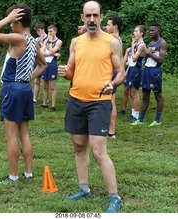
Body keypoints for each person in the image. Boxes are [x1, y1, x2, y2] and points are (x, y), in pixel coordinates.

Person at [57, 1, 125, 213]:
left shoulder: (111, 42)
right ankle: (84, 189)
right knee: (78, 146)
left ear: (102, 17)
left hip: (99, 102)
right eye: (88, 15)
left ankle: (114, 197)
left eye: (95, 15)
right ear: (82, 17)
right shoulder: (76, 42)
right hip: (76, 100)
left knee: (98, 150)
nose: (92, 19)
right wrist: (65, 71)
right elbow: (72, 70)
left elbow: (122, 73)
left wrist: (112, 84)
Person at [0, 4, 47, 183]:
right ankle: (28, 172)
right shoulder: (32, 40)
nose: (10, 25)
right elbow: (43, 65)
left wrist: (7, 19)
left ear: (17, 21)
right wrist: (27, 78)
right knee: (24, 133)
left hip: (12, 89)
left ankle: (13, 176)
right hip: (25, 89)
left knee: (11, 135)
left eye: (12, 21)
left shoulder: (18, 38)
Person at [131, 22, 167, 127]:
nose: (150, 32)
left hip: (155, 71)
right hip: (147, 70)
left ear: (158, 31)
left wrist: (148, 53)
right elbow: (147, 56)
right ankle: (141, 120)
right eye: (150, 30)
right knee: (145, 95)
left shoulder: (162, 43)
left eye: (153, 30)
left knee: (158, 95)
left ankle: (157, 120)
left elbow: (161, 60)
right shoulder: (151, 43)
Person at [105, 15, 123, 139]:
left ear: (115, 26)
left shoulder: (113, 39)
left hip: (112, 72)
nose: (106, 27)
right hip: (107, 71)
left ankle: (111, 131)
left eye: (108, 24)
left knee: (111, 101)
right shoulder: (111, 38)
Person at [125, 25, 146, 123]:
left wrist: (132, 47)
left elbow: (134, 58)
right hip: (131, 69)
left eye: (136, 31)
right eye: (134, 31)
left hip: (136, 70)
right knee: (131, 93)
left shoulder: (141, 45)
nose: (134, 33)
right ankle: (133, 113)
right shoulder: (137, 44)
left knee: (135, 92)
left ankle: (137, 115)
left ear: (141, 33)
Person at [41, 25, 62, 112]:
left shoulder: (58, 41)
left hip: (52, 65)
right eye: (48, 31)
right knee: (45, 85)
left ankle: (53, 106)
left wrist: (50, 44)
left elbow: (52, 50)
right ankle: (44, 103)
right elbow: (42, 52)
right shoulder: (45, 41)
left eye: (51, 31)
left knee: (52, 86)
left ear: (55, 32)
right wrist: (53, 54)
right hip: (45, 64)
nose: (49, 33)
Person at [33, 21, 48, 103]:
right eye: (36, 31)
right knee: (36, 80)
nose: (37, 32)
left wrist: (41, 42)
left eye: (39, 30)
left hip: (45, 62)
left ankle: (46, 98)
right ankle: (34, 98)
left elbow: (45, 50)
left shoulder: (48, 38)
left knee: (45, 82)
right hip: (37, 61)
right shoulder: (36, 39)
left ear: (43, 29)